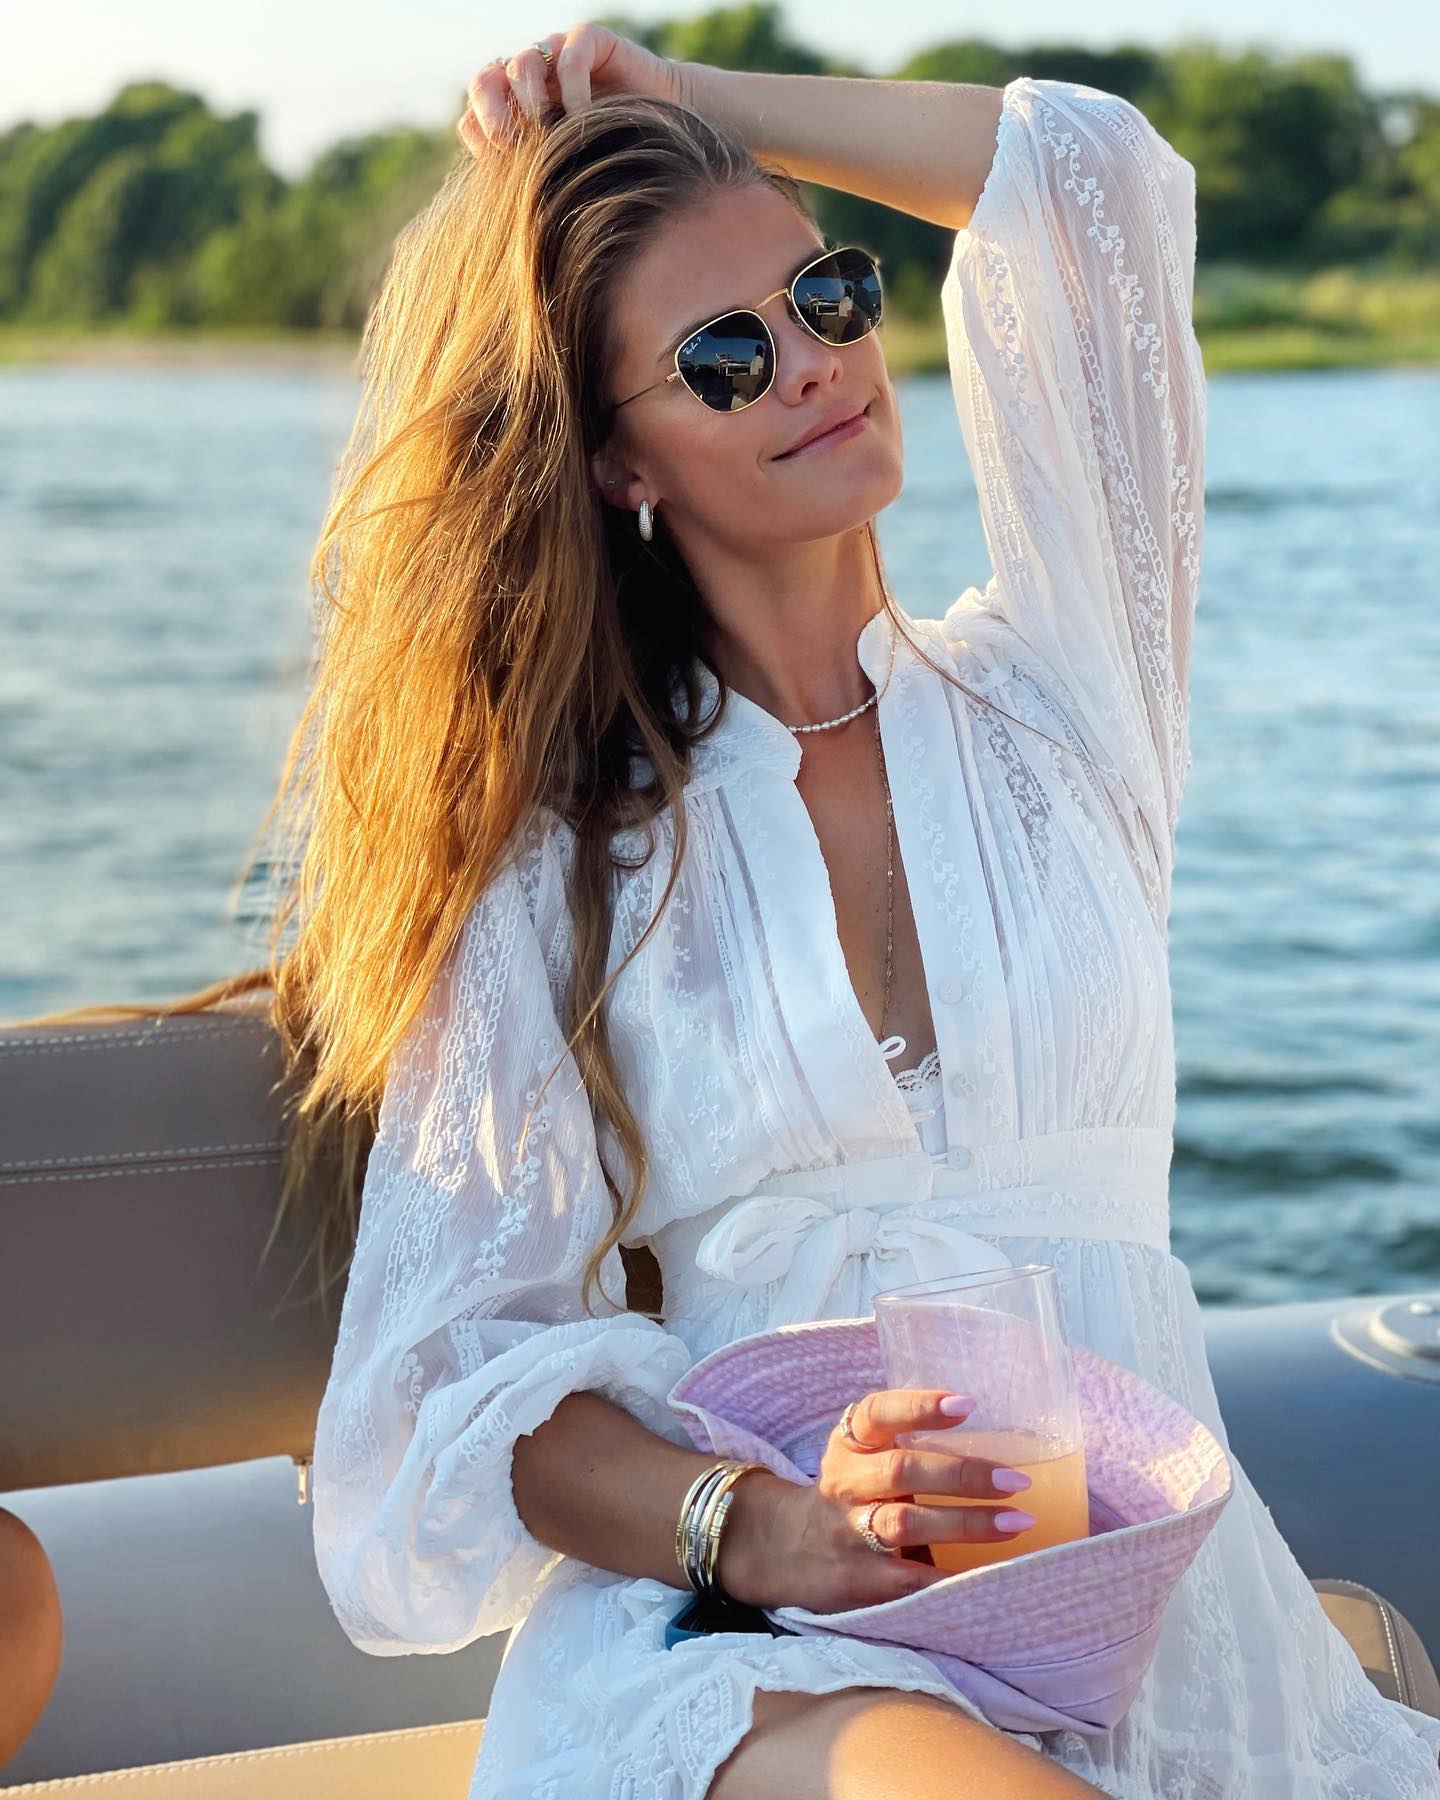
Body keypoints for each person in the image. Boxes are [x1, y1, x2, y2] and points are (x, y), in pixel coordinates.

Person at [308, 24, 1440, 1798]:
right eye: (726, 354)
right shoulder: (563, 861)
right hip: (765, 1652)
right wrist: (760, 1526)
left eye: (827, 295)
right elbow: (450, 1384)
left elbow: (1089, 183)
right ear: (620, 463)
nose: (818, 364)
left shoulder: (1067, 707)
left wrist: (700, 102)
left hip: (1160, 1633)